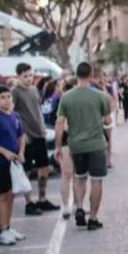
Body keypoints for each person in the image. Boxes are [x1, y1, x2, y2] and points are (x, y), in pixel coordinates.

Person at [56, 62, 113, 230]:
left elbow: (60, 123)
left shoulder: (66, 97)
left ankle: (79, 207)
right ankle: (93, 218)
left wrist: (58, 146)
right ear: (91, 74)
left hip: (76, 145)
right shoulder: (101, 96)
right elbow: (108, 120)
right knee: (96, 180)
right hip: (96, 144)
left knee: (79, 177)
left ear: (76, 75)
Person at [12, 62, 58, 215]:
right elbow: (12, 113)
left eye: (31, 75)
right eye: (25, 76)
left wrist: (43, 129)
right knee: (27, 170)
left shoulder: (33, 90)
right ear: (18, 76)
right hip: (27, 136)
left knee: (44, 167)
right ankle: (29, 202)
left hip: (40, 134)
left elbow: (37, 110)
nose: (29, 79)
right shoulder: (15, 92)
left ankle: (42, 199)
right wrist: (21, 134)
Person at [0, 85, 26, 246]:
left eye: (8, 96)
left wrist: (21, 151)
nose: (6, 100)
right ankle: (2, 231)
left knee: (10, 194)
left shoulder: (15, 115)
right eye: (2, 97)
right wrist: (3, 152)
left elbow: (21, 135)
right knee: (0, 196)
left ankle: (8, 227)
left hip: (13, 163)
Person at [54, 77, 78, 219]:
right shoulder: (62, 102)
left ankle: (77, 203)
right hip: (66, 142)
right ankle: (65, 205)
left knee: (78, 174)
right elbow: (60, 124)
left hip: (78, 141)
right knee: (67, 173)